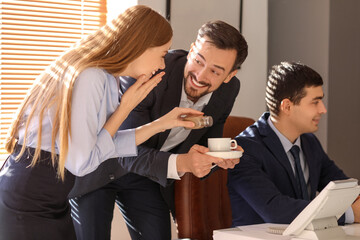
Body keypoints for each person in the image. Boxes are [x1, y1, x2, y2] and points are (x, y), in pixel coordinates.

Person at [0, 5, 209, 240]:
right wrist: (125, 108)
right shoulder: (92, 77)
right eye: (162, 53)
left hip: (50, 193)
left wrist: (163, 123)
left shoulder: (107, 79)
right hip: (31, 196)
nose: (162, 65)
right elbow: (83, 162)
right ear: (140, 45)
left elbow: (103, 145)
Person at [71, 20, 248, 240]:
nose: (201, 75)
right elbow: (123, 150)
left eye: (215, 71)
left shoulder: (229, 91)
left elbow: (207, 144)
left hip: (148, 174)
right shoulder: (152, 70)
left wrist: (217, 159)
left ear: (230, 75)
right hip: (99, 166)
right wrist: (182, 163)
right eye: (198, 61)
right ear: (192, 49)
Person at [228, 61, 360, 226]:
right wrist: (349, 214)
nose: (323, 109)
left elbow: (343, 187)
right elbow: (276, 210)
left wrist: (356, 199)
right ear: (287, 106)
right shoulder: (244, 149)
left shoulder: (309, 142)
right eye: (315, 102)